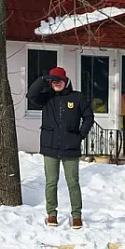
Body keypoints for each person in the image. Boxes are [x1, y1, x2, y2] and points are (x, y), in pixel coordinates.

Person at [26, 67, 94, 229]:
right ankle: (51, 214)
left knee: (73, 182)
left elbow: (88, 117)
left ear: (66, 81)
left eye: (59, 81)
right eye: (53, 81)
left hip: (70, 146)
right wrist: (43, 78)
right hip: (50, 146)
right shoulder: (46, 97)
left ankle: (76, 215)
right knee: (51, 182)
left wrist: (80, 135)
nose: (57, 84)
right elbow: (31, 95)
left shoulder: (77, 97)